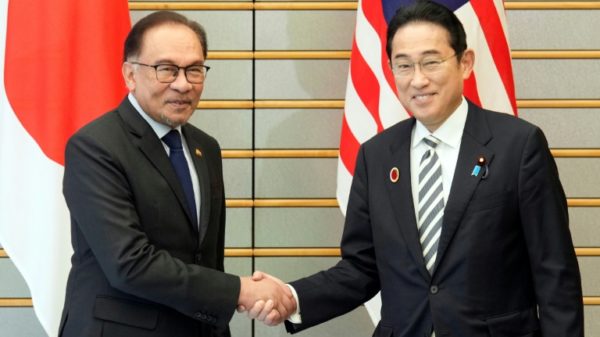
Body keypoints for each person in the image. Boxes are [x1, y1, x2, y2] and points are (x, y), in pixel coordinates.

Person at [247, 1, 584, 336]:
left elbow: (554, 273)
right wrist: (292, 298)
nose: (418, 80)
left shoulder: (518, 146)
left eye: (431, 62)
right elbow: (362, 268)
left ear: (465, 63)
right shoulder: (376, 156)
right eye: (404, 66)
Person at [58, 11, 294, 337]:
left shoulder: (205, 148)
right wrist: (240, 291)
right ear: (130, 74)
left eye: (195, 70)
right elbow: (130, 263)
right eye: (166, 69)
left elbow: (206, 260)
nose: (183, 84)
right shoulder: (95, 147)